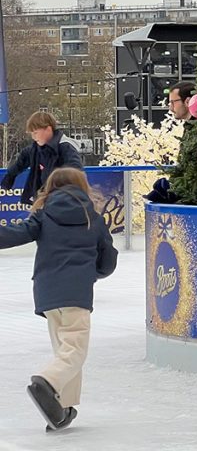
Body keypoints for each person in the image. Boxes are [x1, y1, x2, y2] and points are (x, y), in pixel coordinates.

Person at [0, 167, 118, 430]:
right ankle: (48, 382)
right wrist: (92, 273)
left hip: (47, 292)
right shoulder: (93, 218)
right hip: (76, 292)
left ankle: (62, 407)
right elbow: (108, 260)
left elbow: (16, 234)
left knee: (64, 349)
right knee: (74, 350)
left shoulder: (44, 215)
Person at [1, 111, 83, 205]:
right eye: (31, 133)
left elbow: (76, 171)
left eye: (35, 132)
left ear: (48, 129)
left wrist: (60, 189)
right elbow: (21, 161)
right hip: (44, 199)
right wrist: (9, 177)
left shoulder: (65, 147)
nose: (33, 137)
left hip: (63, 200)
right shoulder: (36, 149)